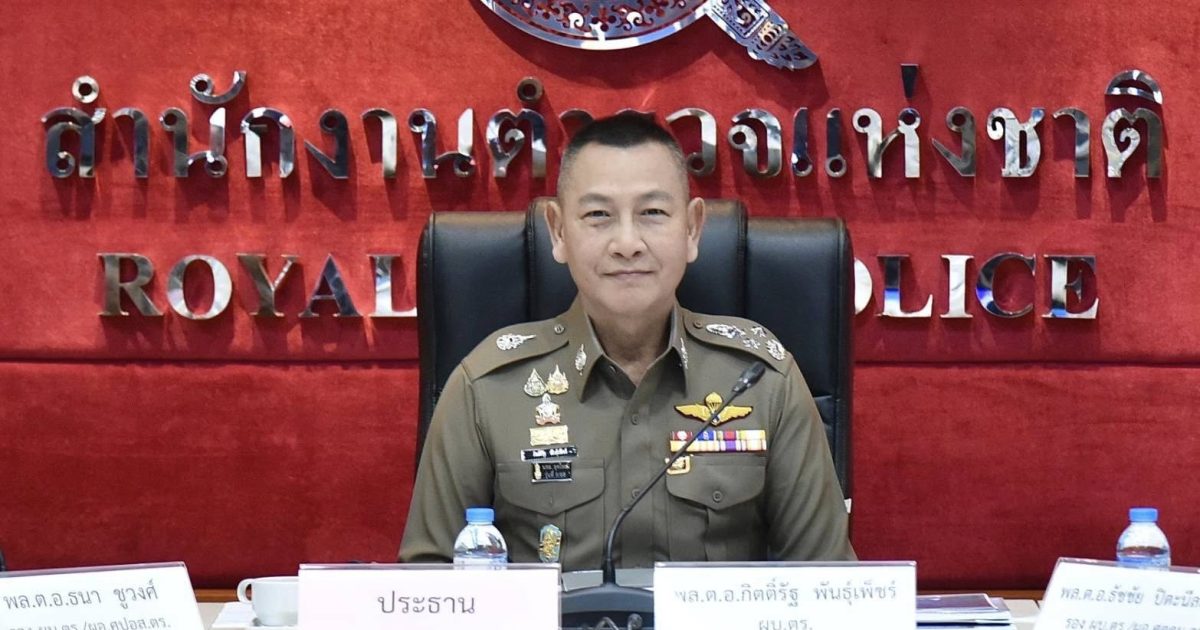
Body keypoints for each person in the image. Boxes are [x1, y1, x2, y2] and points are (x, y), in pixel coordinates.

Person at [400, 113, 854, 569]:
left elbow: (828, 581)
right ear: (558, 231)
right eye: (598, 215)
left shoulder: (761, 381)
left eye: (652, 213)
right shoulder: (486, 388)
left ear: (692, 229)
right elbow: (428, 586)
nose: (627, 243)